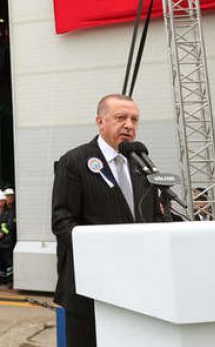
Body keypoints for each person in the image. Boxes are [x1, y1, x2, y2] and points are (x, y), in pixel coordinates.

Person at [52, 94, 160, 347]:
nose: (129, 125)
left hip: (137, 285)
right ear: (100, 122)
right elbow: (62, 222)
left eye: (134, 119)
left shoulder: (142, 165)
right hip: (89, 287)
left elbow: (155, 218)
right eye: (121, 118)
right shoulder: (75, 161)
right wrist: (107, 252)